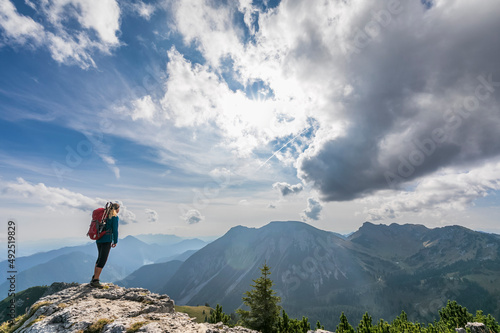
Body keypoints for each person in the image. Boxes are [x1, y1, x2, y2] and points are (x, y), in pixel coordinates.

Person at [90, 202, 119, 288]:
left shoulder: (103, 216)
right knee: (103, 260)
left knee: (99, 258)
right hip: (107, 240)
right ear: (115, 209)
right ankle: (96, 280)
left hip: (99, 238)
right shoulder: (114, 217)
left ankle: (94, 278)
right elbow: (115, 230)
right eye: (118, 209)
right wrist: (115, 241)